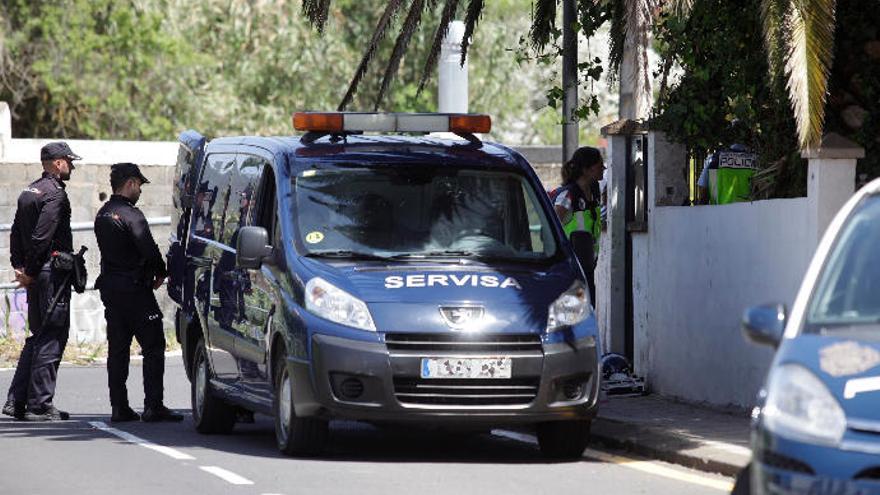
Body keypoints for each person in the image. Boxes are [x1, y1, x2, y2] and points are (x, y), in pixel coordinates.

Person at [94, 163, 183, 422]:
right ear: (131, 183)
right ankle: (154, 405)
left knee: (118, 350)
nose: (141, 191)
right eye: (140, 185)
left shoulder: (103, 213)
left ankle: (119, 407)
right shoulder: (131, 215)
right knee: (154, 345)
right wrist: (161, 272)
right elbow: (148, 248)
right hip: (135, 291)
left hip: (112, 290)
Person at [2, 142, 80, 421]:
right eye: (70, 162)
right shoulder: (54, 195)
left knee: (37, 336)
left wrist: (20, 267)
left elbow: (15, 232)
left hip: (36, 273)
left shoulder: (29, 190)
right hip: (48, 275)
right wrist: (31, 271)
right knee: (52, 337)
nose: (72, 166)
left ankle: (16, 401)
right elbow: (41, 237)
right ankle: (39, 405)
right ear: (58, 163)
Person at [551, 146, 605, 302]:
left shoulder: (594, 190)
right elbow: (551, 226)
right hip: (569, 270)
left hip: (587, 267)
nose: (603, 168)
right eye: (599, 165)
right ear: (586, 169)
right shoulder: (568, 195)